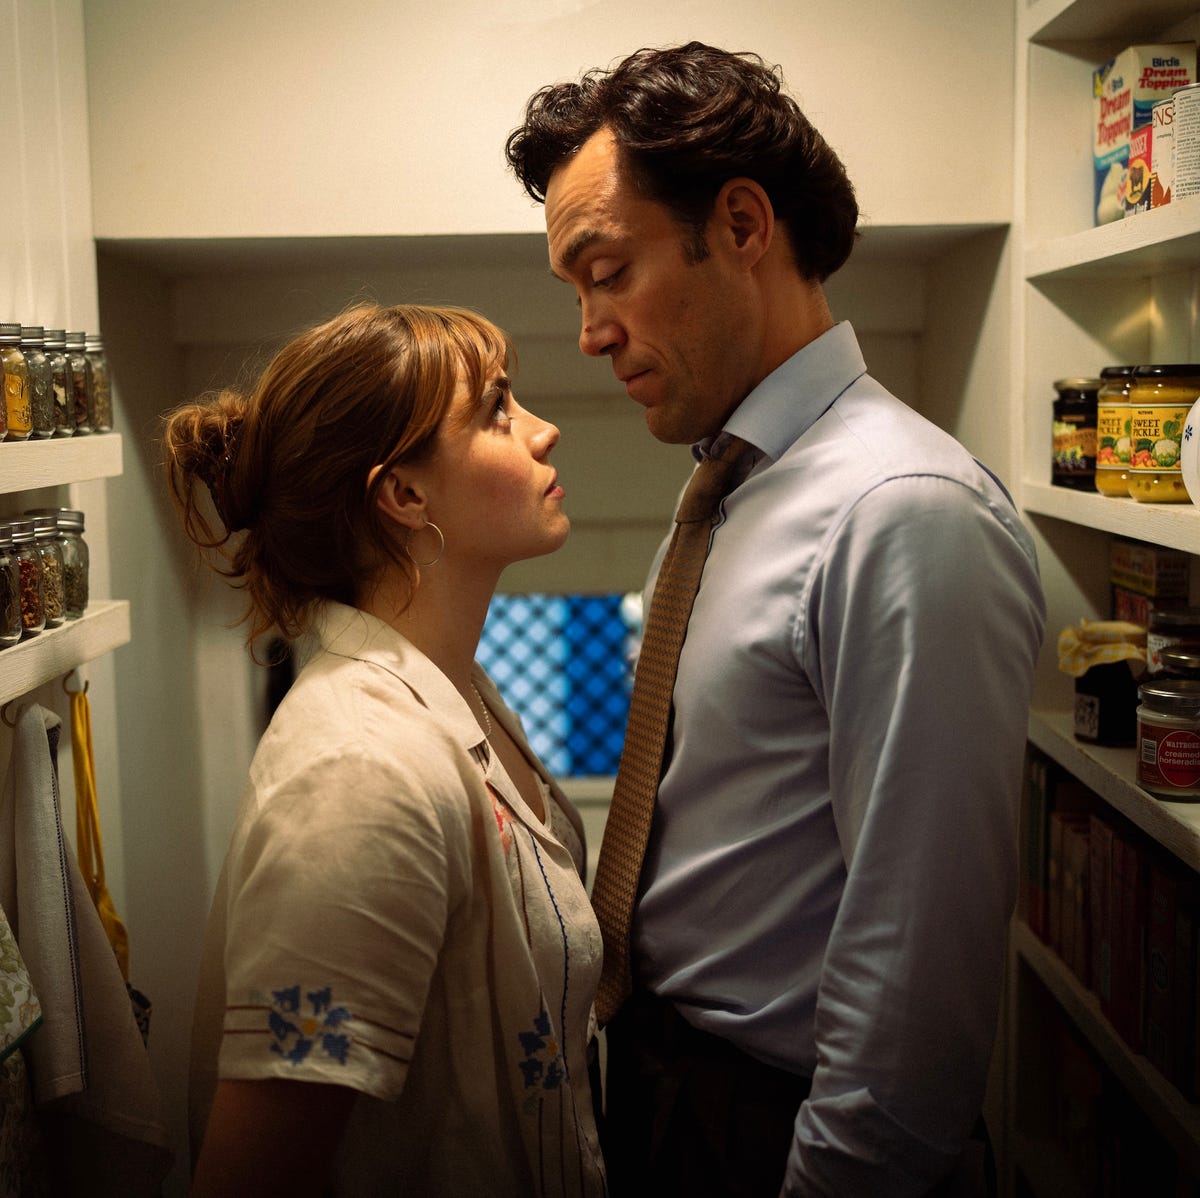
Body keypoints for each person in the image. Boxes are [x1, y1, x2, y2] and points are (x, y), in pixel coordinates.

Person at [507, 42, 1046, 1197]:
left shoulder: (903, 512)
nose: (590, 331)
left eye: (609, 273)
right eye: (578, 292)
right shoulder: (732, 486)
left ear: (744, 225)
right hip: (666, 1085)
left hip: (778, 1128)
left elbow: (917, 977)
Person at [164, 303, 606, 1197]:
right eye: (497, 410)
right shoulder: (362, 772)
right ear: (404, 496)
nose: (543, 430)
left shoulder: (461, 696)